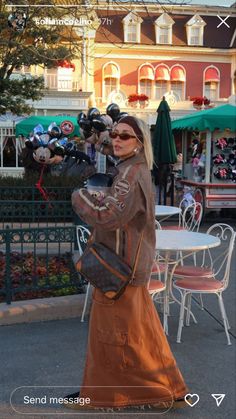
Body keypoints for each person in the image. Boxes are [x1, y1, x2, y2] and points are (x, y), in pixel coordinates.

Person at [70, 116, 189, 411]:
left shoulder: (130, 175)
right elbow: (110, 148)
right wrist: (100, 139)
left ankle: (105, 395)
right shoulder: (131, 167)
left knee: (111, 338)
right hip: (127, 266)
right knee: (143, 335)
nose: (117, 139)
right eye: (114, 134)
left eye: (125, 136)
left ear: (139, 142)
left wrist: (79, 196)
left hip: (117, 270)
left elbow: (107, 215)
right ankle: (171, 388)